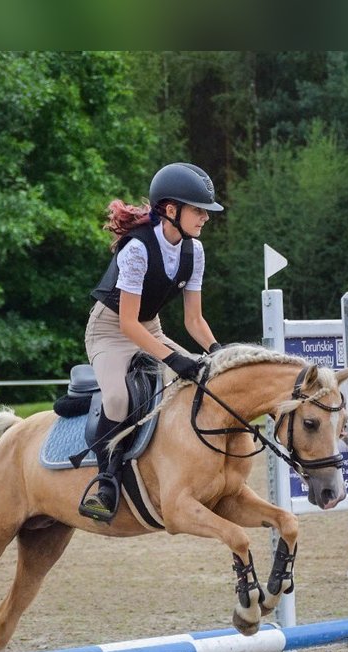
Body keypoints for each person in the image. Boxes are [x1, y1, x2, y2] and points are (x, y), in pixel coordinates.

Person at [79, 162, 224, 523]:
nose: (204, 218)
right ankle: (106, 481)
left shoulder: (195, 252)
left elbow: (194, 320)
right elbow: (127, 323)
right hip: (109, 331)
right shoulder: (138, 250)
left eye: (205, 211)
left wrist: (217, 352)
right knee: (116, 397)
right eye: (198, 210)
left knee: (204, 380)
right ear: (171, 210)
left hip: (151, 328)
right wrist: (174, 360)